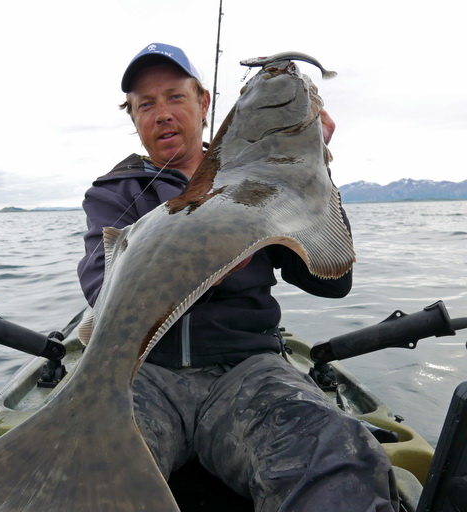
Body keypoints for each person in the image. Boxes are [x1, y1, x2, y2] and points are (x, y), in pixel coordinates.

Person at [77, 42, 399, 511]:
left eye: (175, 97)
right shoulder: (114, 192)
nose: (162, 113)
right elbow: (98, 289)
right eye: (146, 104)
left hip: (247, 371)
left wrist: (310, 169)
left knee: (334, 452)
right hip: (141, 374)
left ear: (205, 103)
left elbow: (330, 282)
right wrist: (211, 259)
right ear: (133, 117)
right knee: (86, 468)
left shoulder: (266, 185)